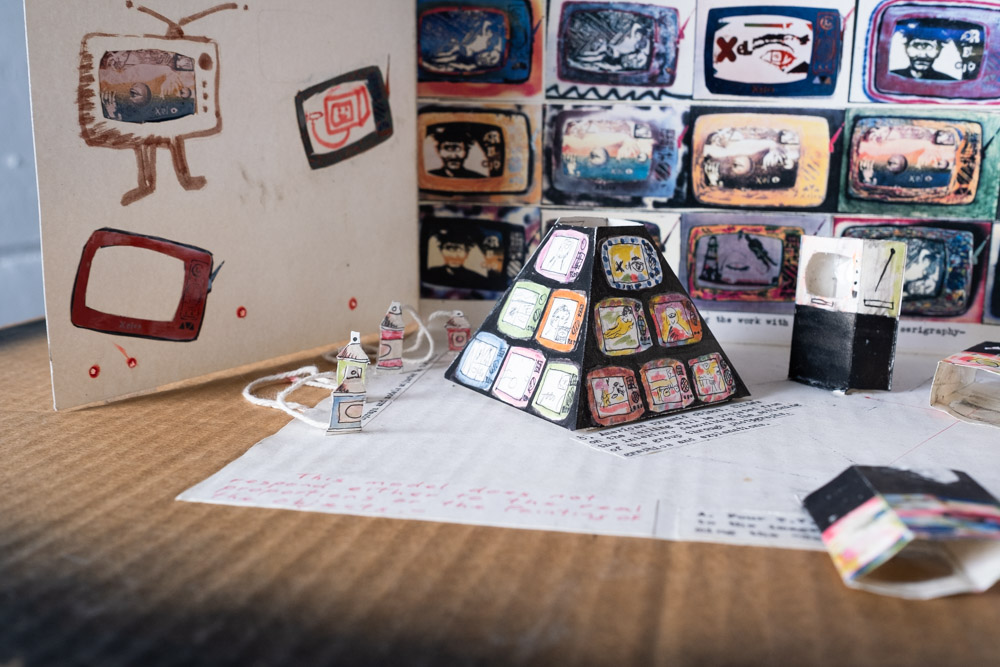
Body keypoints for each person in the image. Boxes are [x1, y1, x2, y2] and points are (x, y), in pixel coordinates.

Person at [424, 226, 489, 289]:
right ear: (441, 250)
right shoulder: (431, 274)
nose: (454, 256)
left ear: (467, 252)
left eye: (459, 249)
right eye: (449, 248)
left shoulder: (477, 279)